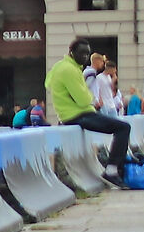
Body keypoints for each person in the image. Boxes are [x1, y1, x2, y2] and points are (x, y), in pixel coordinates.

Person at [46, 38, 129, 181]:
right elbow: (84, 99)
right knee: (123, 128)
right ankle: (112, 170)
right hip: (78, 115)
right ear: (71, 52)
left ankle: (116, 168)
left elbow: (47, 83)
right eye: (81, 53)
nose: (84, 57)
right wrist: (88, 95)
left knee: (120, 127)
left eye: (86, 54)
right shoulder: (70, 70)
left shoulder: (60, 66)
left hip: (67, 115)